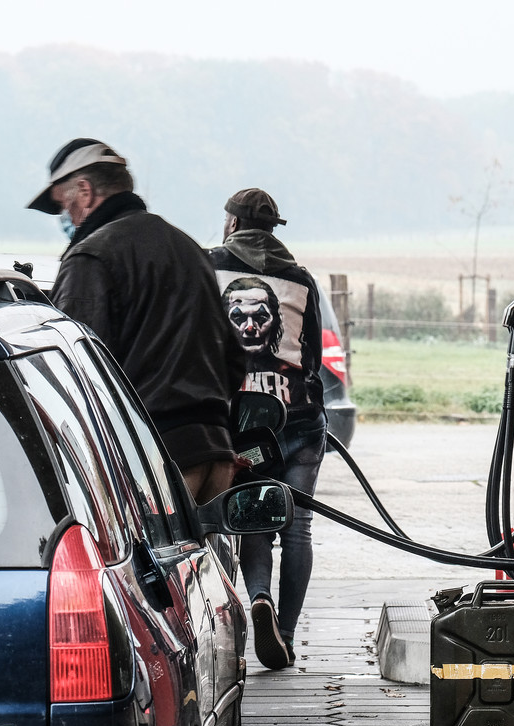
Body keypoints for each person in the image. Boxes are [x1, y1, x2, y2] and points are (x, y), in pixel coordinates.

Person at [29, 138, 245, 503]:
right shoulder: (188, 248)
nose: (66, 217)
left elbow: (75, 373)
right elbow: (235, 359)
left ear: (84, 191)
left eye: (64, 204)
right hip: (215, 458)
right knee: (201, 563)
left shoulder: (91, 257)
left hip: (151, 462)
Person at [208, 188, 326, 671]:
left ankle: (259, 599)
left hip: (246, 428)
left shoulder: (210, 265)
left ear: (232, 224)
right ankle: (288, 634)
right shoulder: (299, 278)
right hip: (298, 422)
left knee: (255, 521)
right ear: (273, 228)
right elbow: (313, 354)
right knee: (297, 530)